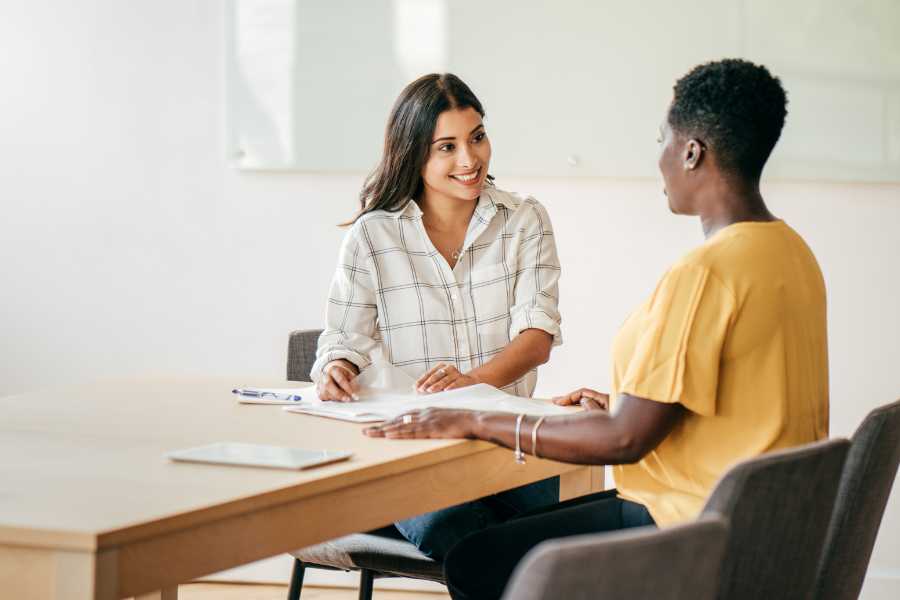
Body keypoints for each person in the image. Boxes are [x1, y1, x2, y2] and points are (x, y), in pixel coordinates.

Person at [364, 58, 829, 600]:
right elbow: (737, 407)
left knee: (477, 561)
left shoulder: (704, 274)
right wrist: (620, 406)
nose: (659, 158)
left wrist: (474, 418)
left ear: (692, 152)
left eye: (663, 140)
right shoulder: (790, 253)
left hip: (688, 529)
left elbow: (626, 440)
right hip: (763, 528)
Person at [310, 73, 564, 559]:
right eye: (446, 146)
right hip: (411, 457)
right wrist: (336, 369)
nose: (469, 160)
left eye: (477, 137)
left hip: (506, 451)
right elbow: (342, 339)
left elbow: (536, 337)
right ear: (414, 154)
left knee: (563, 521)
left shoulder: (524, 220)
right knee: (464, 531)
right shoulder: (372, 237)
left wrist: (468, 386)